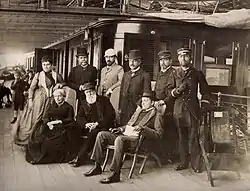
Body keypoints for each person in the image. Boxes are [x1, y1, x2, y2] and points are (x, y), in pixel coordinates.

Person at [84, 92, 164, 184]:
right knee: (101, 134)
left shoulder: (157, 115)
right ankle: (97, 166)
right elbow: (129, 125)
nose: (143, 103)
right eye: (142, 101)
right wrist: (119, 129)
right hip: (125, 134)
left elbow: (159, 134)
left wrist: (144, 128)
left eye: (146, 101)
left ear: (153, 102)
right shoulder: (138, 111)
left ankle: (115, 173)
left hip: (136, 140)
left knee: (119, 139)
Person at [165, 47, 210, 173]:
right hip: (179, 110)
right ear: (178, 58)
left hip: (192, 110)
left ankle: (195, 163)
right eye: (180, 56)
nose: (183, 58)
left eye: (186, 56)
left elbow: (205, 92)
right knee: (181, 137)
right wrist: (177, 91)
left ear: (190, 58)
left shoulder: (197, 73)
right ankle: (183, 162)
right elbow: (169, 92)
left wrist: (203, 107)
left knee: (193, 137)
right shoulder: (174, 73)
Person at [14, 55, 64, 146]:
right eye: (44, 64)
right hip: (39, 100)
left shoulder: (56, 75)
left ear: (51, 65)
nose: (46, 66)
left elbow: (64, 82)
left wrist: (59, 85)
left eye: (48, 64)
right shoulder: (38, 75)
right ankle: (30, 139)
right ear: (41, 65)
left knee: (47, 118)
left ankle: (42, 139)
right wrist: (30, 100)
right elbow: (32, 88)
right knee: (37, 118)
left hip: (51, 100)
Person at [26, 88, 81, 164]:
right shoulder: (51, 106)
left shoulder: (68, 107)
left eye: (59, 96)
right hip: (50, 125)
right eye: (55, 96)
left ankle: (44, 159)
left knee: (51, 142)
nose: (57, 98)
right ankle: (36, 157)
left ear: (64, 97)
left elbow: (70, 119)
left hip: (62, 126)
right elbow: (45, 116)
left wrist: (59, 121)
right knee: (37, 137)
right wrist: (48, 123)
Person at [69, 83, 116, 167]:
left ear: (95, 91)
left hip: (102, 126)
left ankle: (80, 158)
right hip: (88, 126)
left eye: (91, 91)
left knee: (93, 133)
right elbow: (79, 117)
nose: (89, 94)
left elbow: (111, 115)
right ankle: (74, 155)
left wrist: (97, 124)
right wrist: (86, 124)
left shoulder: (104, 100)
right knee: (73, 130)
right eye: (87, 92)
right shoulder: (83, 103)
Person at [154, 50, 177, 162]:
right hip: (158, 105)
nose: (163, 63)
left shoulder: (173, 73)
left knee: (169, 131)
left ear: (170, 61)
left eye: (165, 60)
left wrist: (164, 102)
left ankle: (169, 156)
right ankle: (161, 155)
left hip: (168, 105)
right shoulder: (160, 74)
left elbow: (172, 91)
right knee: (159, 129)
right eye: (161, 60)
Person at [119, 49, 151, 126]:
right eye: (130, 61)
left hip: (136, 107)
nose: (131, 63)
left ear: (139, 62)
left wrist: (139, 105)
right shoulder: (126, 75)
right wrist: (120, 107)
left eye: (134, 61)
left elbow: (146, 93)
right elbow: (121, 91)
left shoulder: (145, 75)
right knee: (123, 126)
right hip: (124, 107)